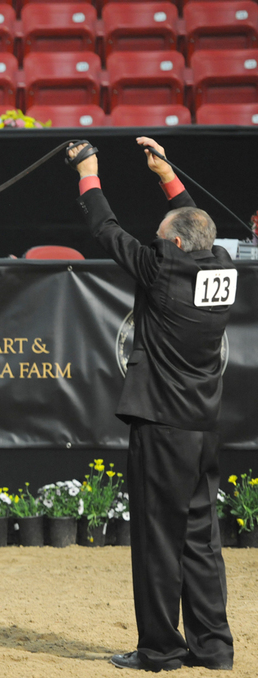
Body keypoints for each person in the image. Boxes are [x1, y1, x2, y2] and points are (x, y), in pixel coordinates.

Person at [69, 136, 234, 672]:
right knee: (201, 539)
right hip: (202, 426)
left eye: (162, 237)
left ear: (178, 249)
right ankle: (212, 648)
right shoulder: (222, 267)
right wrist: (167, 175)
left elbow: (106, 230)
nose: (156, 241)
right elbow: (193, 227)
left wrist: (87, 173)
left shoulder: (164, 273)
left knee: (157, 540)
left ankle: (160, 649)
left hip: (162, 425)